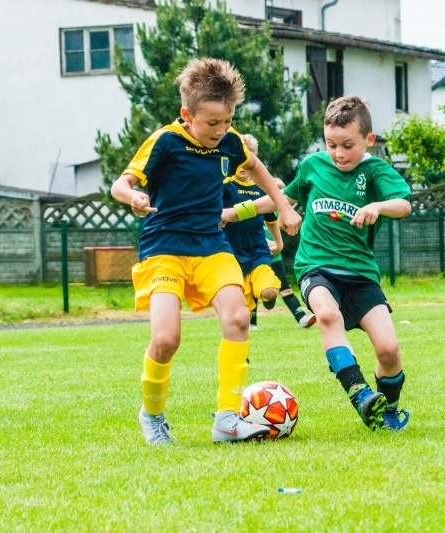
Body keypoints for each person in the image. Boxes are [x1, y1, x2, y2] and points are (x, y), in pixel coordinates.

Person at [110, 57, 301, 445]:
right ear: (187, 114)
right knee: (166, 339)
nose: (221, 130)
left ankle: (227, 419)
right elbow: (120, 184)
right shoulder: (165, 141)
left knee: (238, 319)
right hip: (164, 247)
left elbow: (260, 169)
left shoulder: (231, 143)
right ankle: (153, 415)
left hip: (213, 246)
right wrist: (133, 196)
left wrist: (282, 206)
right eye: (212, 122)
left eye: (227, 121)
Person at [223, 95, 412, 431]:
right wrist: (234, 212)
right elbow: (281, 199)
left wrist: (378, 207)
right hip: (315, 266)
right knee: (326, 314)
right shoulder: (313, 166)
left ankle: (388, 411)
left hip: (361, 273)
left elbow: (403, 204)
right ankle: (357, 391)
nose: (338, 153)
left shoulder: (375, 171)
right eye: (331, 144)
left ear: (368, 140)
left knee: (389, 350)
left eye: (347, 145)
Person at [221, 133, 283, 329]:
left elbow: (271, 217)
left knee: (269, 292)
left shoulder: (262, 189)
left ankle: (265, 297)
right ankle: (241, 356)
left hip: (258, 252)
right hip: (231, 256)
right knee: (239, 319)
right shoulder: (224, 187)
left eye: (250, 155)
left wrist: (278, 243)